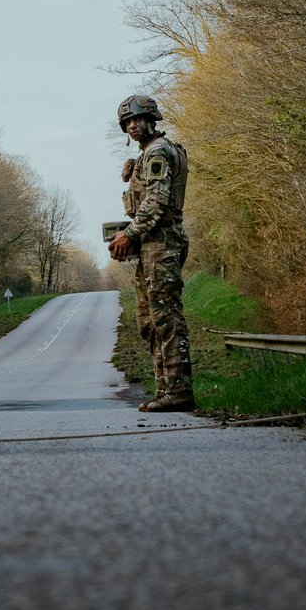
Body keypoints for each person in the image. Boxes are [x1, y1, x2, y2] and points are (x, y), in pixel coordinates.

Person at [108, 95, 195, 412]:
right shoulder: (148, 154)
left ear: (152, 119)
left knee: (165, 317)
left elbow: (156, 203)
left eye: (138, 119)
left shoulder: (158, 151)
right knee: (149, 321)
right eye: (127, 122)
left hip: (162, 242)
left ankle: (178, 391)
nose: (132, 125)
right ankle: (166, 390)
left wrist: (127, 235)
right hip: (151, 243)